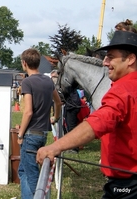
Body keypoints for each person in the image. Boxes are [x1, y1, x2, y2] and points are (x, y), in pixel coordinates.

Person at [37, 30, 137, 198]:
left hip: (127, 185)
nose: (105, 62)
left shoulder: (121, 91)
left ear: (131, 59)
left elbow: (98, 123)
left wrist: (55, 147)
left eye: (111, 57)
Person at [17, 48, 62, 199]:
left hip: (30, 135)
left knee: (32, 176)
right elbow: (58, 102)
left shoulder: (27, 82)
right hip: (43, 134)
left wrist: (20, 134)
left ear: (24, 63)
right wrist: (55, 118)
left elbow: (28, 111)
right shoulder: (48, 81)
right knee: (24, 170)